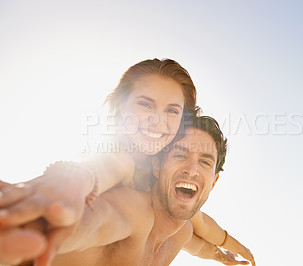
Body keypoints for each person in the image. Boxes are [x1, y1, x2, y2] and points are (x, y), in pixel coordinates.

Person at [0, 59, 254, 265]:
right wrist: (67, 181)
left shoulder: (172, 205)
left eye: (172, 111)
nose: (157, 120)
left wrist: (226, 253)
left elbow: (201, 228)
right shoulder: (121, 162)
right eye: (145, 104)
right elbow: (95, 171)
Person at [50, 116, 250, 265]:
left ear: (214, 181)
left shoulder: (181, 233)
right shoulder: (133, 210)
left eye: (205, 161)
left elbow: (202, 248)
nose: (192, 169)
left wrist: (226, 256)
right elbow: (98, 220)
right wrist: (53, 228)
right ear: (157, 166)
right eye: (180, 156)